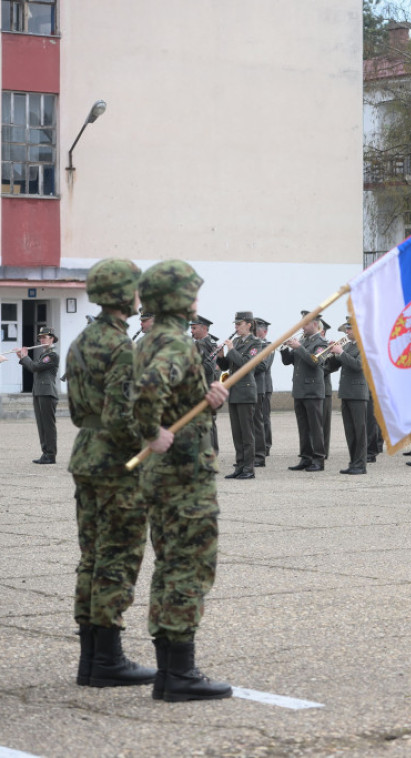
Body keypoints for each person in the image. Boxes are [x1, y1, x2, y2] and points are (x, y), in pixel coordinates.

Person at [133, 259, 232, 702]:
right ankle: (179, 674)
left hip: (168, 473)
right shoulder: (174, 342)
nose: (197, 300)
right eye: (192, 292)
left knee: (171, 562)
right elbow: (147, 393)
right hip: (183, 475)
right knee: (188, 565)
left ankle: (171, 668)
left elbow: (171, 398)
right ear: (177, 298)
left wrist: (207, 400)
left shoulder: (151, 338)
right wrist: (151, 431)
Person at [67, 258, 155, 689]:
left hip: (86, 454)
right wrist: (152, 437)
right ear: (126, 294)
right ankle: (108, 660)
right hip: (116, 465)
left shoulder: (81, 340)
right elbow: (122, 416)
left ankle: (90, 658)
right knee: (117, 559)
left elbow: (76, 410)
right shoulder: (122, 346)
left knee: (92, 557)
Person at [216, 311, 260, 479]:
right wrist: (221, 357)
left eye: (239, 324)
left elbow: (246, 364)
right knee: (237, 432)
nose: (236, 327)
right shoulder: (235, 341)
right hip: (234, 391)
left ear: (249, 324)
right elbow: (228, 366)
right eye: (235, 324)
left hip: (246, 391)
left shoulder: (255, 343)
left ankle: (249, 468)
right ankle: (239, 466)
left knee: (247, 433)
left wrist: (231, 349)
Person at [281, 313, 328, 472]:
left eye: (305, 324)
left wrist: (299, 348)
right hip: (300, 390)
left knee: (315, 427)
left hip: (313, 390)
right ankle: (306, 457)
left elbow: (316, 361)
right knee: (303, 427)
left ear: (315, 324)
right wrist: (284, 348)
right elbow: (289, 362)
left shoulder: (321, 342)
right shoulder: (302, 341)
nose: (302, 327)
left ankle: (318, 459)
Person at [321, 319, 369, 475]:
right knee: (350, 431)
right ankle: (353, 462)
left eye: (349, 329)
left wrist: (341, 352)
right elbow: (333, 367)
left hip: (358, 394)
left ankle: (361, 464)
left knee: (359, 431)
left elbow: (358, 366)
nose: (346, 332)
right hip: (346, 393)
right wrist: (330, 353)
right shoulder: (349, 345)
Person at [19, 325, 60, 464]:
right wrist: (22, 357)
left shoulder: (52, 355)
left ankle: (50, 454)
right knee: (41, 425)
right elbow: (33, 367)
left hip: (47, 393)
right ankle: (45, 453)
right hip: (39, 392)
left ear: (52, 339)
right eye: (40, 338)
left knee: (48, 425)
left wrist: (25, 356)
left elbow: (35, 367)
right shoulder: (43, 355)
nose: (42, 340)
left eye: (44, 337)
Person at [190, 315, 220, 454]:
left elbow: (209, 368)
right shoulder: (198, 343)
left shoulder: (207, 344)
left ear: (204, 328)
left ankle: (212, 451)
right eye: (191, 328)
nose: (192, 331)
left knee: (208, 422)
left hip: (206, 388)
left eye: (194, 328)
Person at [252, 318, 273, 468]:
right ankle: (257, 445)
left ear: (265, 332)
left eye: (258, 330)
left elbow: (264, 366)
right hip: (253, 386)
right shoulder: (254, 345)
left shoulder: (268, 346)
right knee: (256, 418)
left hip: (264, 386)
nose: (256, 333)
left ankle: (266, 446)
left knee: (264, 417)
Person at [319, 318, 335, 460]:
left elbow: (330, 367)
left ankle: (323, 451)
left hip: (324, 389)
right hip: (310, 390)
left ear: (322, 331)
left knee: (324, 423)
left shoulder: (328, 346)